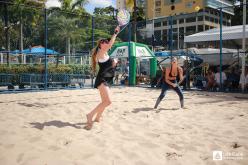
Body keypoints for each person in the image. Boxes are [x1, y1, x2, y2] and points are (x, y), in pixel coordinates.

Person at [84, 26, 120, 130]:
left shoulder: (105, 54)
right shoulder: (100, 53)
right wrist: (115, 33)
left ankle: (97, 117)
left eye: (105, 41)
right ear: (100, 45)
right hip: (102, 79)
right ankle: (90, 115)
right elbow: (111, 43)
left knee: (104, 101)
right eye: (103, 41)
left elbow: (109, 66)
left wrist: (114, 63)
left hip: (107, 78)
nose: (106, 42)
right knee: (108, 102)